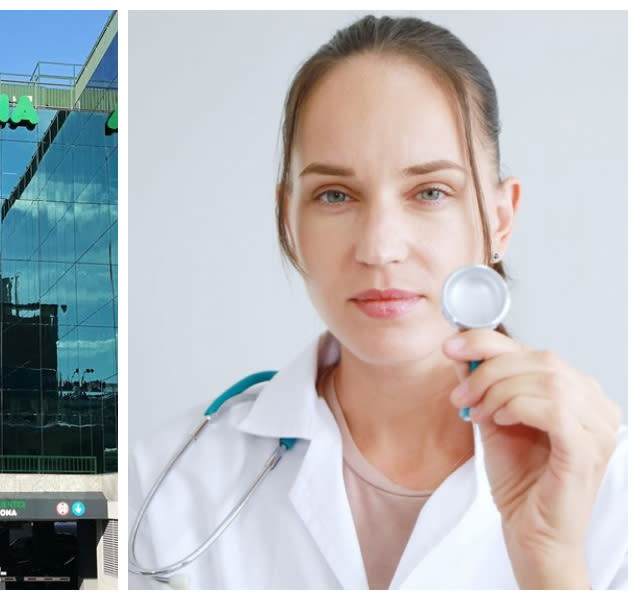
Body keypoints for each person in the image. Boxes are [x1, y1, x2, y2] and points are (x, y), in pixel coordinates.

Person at [128, 15, 627, 590]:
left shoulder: (611, 484)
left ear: (499, 219)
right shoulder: (172, 480)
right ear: (288, 221)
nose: (380, 247)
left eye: (431, 192)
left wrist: (552, 565)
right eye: (335, 195)